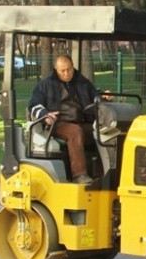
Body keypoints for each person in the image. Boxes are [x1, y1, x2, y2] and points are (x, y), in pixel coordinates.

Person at [28, 54, 99, 184]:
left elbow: (95, 96)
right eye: (63, 71)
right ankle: (80, 175)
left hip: (82, 121)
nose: (67, 73)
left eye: (69, 69)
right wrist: (45, 115)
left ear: (73, 67)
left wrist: (102, 99)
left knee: (103, 131)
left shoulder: (83, 82)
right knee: (75, 131)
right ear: (56, 70)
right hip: (56, 123)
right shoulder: (45, 85)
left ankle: (104, 173)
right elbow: (34, 105)